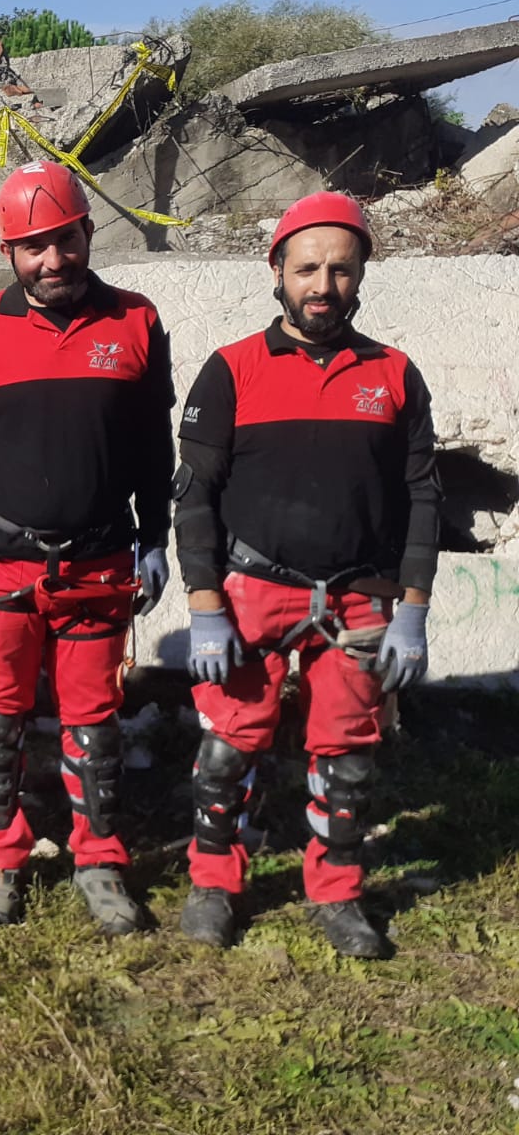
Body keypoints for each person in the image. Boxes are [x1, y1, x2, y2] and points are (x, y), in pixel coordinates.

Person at [175, 191, 437, 958]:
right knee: (227, 751)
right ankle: (214, 883)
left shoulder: (393, 375)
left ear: (360, 277)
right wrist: (204, 604)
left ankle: (339, 893)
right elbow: (194, 497)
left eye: (341, 270)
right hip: (253, 589)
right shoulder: (230, 370)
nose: (323, 285)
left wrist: (413, 608)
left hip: (359, 595)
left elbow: (422, 496)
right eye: (308, 268)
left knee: (348, 761)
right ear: (277, 272)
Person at [0, 161, 175, 934]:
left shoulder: (137, 322)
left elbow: (150, 446)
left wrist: (157, 538)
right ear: (8, 253)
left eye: (64, 240)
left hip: (100, 559)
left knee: (95, 724)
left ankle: (99, 859)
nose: (52, 260)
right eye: (32, 247)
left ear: (86, 234)